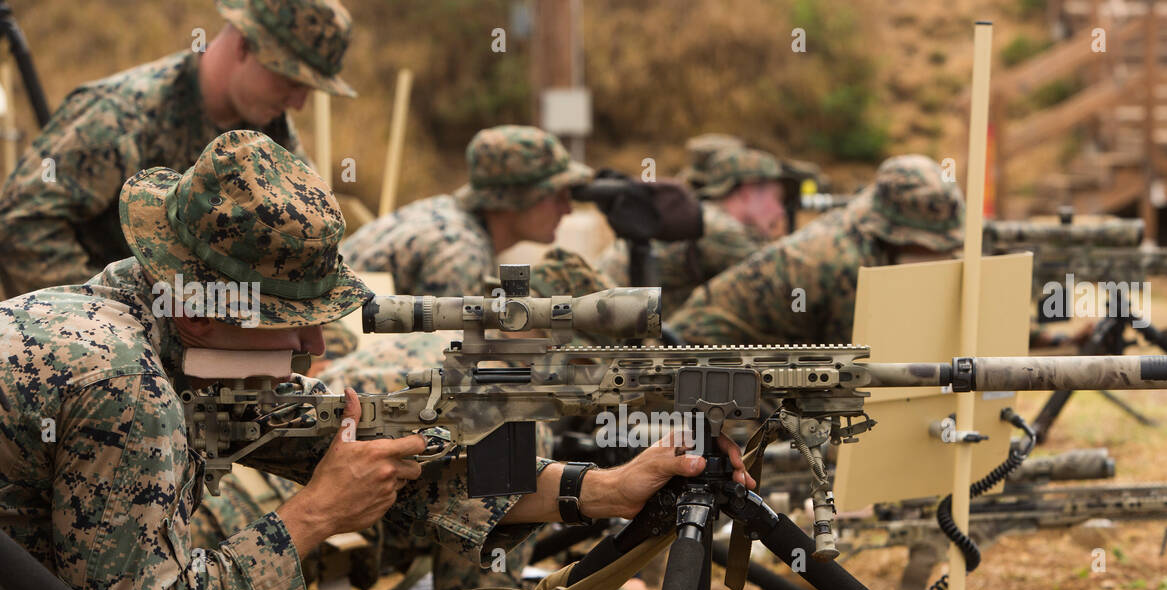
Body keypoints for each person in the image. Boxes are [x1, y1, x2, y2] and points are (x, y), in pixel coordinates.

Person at [0, 130, 751, 590]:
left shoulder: (180, 344)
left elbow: (417, 461)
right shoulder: (118, 380)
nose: (315, 351)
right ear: (204, 308)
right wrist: (314, 517)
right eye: (290, 324)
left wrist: (605, 490)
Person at [0, 0, 356, 297]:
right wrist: (111, 311)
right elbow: (21, 225)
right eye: (291, 81)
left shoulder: (268, 130)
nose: (299, 103)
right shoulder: (122, 115)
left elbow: (303, 245)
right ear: (245, 44)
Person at [666, 155, 964, 345]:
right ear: (896, 234)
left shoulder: (862, 234)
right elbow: (853, 372)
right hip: (701, 364)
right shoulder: (843, 263)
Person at [341, 125, 593, 298]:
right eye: (557, 195)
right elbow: (438, 359)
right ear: (515, 198)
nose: (567, 209)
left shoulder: (446, 213)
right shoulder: (463, 254)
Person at [595, 144, 788, 313]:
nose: (780, 210)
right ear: (748, 192)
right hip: (611, 313)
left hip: (616, 306)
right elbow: (778, 285)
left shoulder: (707, 216)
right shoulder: (720, 228)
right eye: (776, 198)